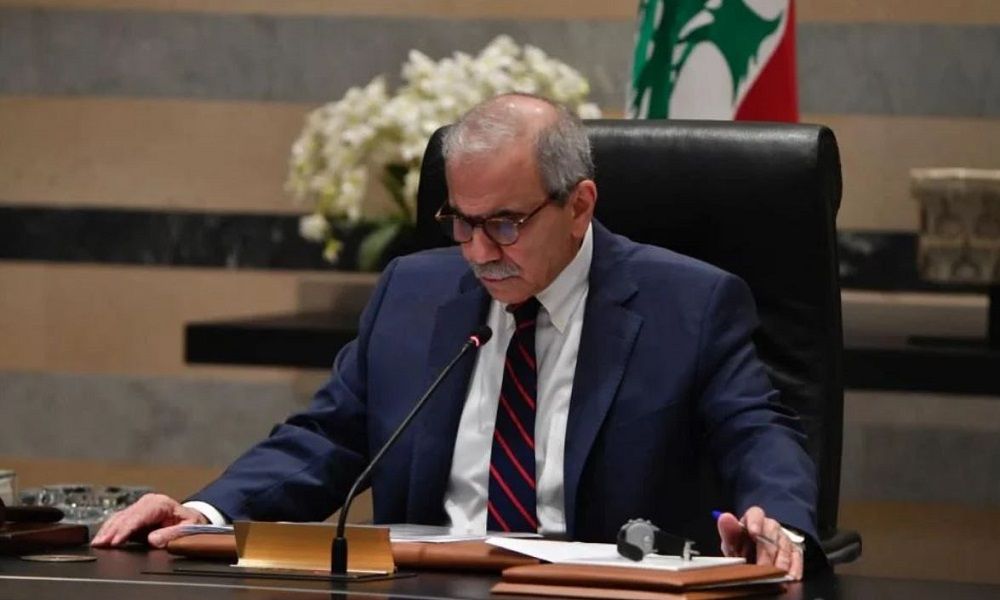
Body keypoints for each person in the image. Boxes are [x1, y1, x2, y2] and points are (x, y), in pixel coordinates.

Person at [93, 93, 818, 579]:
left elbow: (756, 429)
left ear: (579, 205)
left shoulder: (688, 304)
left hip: (599, 593)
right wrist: (204, 513)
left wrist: (778, 526)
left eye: (504, 223)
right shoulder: (414, 292)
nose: (478, 252)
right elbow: (331, 436)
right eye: (461, 222)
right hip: (426, 586)